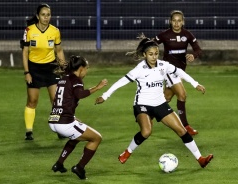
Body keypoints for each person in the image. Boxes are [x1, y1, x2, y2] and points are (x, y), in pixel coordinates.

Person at [95, 35, 213, 168]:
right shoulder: (139, 69)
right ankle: (127, 152)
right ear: (145, 54)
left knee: (182, 130)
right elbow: (120, 82)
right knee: (146, 132)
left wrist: (195, 84)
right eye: (151, 54)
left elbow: (179, 71)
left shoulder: (163, 65)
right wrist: (105, 96)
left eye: (156, 53)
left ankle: (200, 159)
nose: (154, 56)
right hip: (142, 104)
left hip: (160, 104)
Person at [48, 55, 108, 180]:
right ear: (81, 68)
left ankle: (59, 164)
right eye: (86, 68)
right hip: (64, 123)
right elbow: (79, 94)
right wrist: (97, 87)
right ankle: (80, 167)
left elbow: (61, 100)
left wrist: (73, 116)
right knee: (96, 138)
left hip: (54, 120)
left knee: (77, 137)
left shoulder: (64, 78)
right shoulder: (76, 79)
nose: (86, 71)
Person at [21, 3, 66, 140]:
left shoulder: (55, 31)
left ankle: (59, 128)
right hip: (34, 68)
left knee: (55, 100)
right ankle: (29, 131)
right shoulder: (29, 31)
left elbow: (59, 50)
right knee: (32, 101)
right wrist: (27, 72)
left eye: (48, 15)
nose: (46, 18)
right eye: (43, 15)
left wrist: (63, 67)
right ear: (37, 16)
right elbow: (25, 53)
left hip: (51, 68)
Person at [153, 10, 202, 135]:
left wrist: (193, 56)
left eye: (179, 20)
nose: (176, 23)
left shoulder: (187, 34)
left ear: (183, 22)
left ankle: (148, 114)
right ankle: (185, 126)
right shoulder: (165, 34)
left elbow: (198, 49)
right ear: (170, 21)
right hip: (168, 70)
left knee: (166, 97)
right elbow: (151, 44)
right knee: (182, 95)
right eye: (174, 20)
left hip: (180, 71)